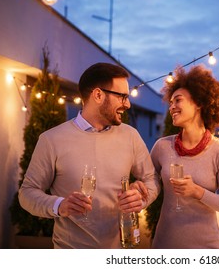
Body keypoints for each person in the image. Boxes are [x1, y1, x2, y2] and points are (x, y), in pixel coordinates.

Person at [19, 62, 160, 248]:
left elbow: (152, 180)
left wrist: (141, 199)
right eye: (122, 97)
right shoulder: (51, 140)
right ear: (98, 95)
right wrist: (59, 205)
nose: (128, 104)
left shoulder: (131, 136)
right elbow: (27, 193)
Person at [150, 64, 219, 249]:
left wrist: (197, 192)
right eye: (171, 102)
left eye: (178, 100)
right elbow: (150, 183)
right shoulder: (162, 147)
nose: (172, 107)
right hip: (165, 245)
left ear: (198, 102)